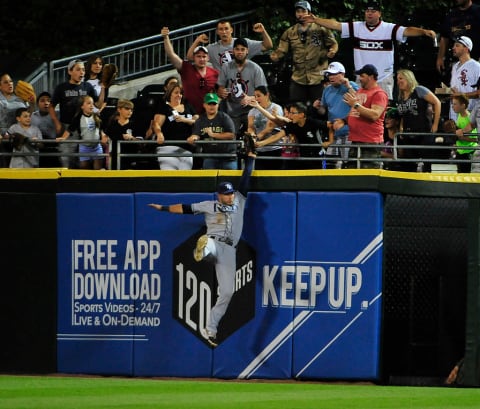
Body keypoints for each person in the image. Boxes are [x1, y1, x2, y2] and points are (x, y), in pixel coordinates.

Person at [148, 150, 256, 347]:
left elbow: (246, 179)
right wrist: (163, 208)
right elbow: (185, 208)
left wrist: (251, 159)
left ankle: (211, 329)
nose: (230, 196)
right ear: (219, 195)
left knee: (227, 292)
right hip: (215, 241)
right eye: (226, 194)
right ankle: (203, 249)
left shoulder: (239, 201)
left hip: (230, 251)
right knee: (209, 243)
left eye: (231, 193)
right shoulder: (209, 205)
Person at [307, 0, 436, 100]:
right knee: (361, 109)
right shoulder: (357, 27)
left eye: (373, 11)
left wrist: (423, 31)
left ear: (379, 13)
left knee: (384, 112)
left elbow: (407, 30)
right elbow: (336, 25)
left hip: (383, 78)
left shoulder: (388, 28)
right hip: (362, 79)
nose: (369, 13)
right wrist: (316, 20)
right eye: (367, 11)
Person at [270, 1, 338, 104]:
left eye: (303, 11)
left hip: (318, 77)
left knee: (319, 108)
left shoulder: (321, 28)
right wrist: (276, 55)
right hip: (298, 77)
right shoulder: (290, 32)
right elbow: (281, 50)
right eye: (298, 11)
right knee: (296, 107)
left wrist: (332, 51)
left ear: (309, 13)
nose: (300, 14)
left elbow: (333, 43)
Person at [49, 59, 102, 168]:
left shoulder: (87, 86)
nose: (82, 72)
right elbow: (51, 106)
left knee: (84, 160)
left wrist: (104, 88)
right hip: (68, 127)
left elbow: (98, 104)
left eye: (83, 70)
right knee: (67, 158)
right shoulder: (61, 87)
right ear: (70, 71)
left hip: (86, 126)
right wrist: (57, 123)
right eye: (78, 70)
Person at [161, 26, 219, 115]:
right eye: (198, 56)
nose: (201, 59)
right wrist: (166, 38)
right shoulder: (186, 68)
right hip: (188, 113)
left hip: (207, 115)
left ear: (208, 58)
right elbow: (171, 54)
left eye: (204, 56)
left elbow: (219, 93)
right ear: (193, 58)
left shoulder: (214, 73)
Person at [255, 101, 328, 169]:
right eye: (290, 112)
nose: (290, 115)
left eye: (293, 113)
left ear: (301, 115)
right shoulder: (292, 125)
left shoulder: (312, 122)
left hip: (318, 157)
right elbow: (277, 136)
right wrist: (261, 143)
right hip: (304, 157)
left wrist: (330, 141)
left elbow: (330, 125)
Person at [217, 38, 268, 135]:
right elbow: (220, 87)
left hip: (252, 111)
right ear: (233, 51)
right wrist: (221, 91)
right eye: (237, 49)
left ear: (247, 51)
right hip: (232, 111)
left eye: (242, 49)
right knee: (229, 139)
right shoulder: (226, 67)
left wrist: (251, 98)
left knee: (253, 137)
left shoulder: (256, 69)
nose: (240, 52)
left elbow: (264, 94)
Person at [313, 62, 360, 168]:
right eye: (329, 74)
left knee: (348, 165)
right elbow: (324, 111)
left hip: (350, 133)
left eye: (334, 74)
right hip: (333, 134)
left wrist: (348, 86)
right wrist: (318, 108)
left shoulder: (352, 85)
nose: (331, 77)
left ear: (342, 74)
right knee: (330, 165)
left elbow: (360, 102)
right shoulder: (327, 90)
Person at [343, 64, 388, 169]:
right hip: (355, 140)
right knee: (352, 172)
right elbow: (356, 112)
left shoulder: (379, 94)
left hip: (370, 141)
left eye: (362, 76)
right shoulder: (360, 91)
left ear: (371, 77)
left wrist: (355, 104)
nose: (360, 79)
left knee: (368, 175)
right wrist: (343, 120)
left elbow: (375, 115)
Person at [396, 69, 441, 172]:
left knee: (426, 165)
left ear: (408, 78)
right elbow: (403, 115)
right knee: (408, 165)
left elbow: (437, 102)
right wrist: (401, 128)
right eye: (397, 79)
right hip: (408, 134)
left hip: (423, 132)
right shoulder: (401, 97)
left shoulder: (419, 90)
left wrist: (435, 124)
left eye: (401, 78)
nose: (398, 81)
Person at [186, 20, 273, 71]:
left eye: (226, 29)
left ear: (231, 30)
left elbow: (268, 46)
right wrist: (197, 41)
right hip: (222, 89)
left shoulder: (243, 43)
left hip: (243, 84)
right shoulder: (212, 48)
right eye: (221, 29)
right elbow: (190, 57)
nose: (224, 32)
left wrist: (263, 32)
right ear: (217, 32)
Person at [152, 83, 198, 170]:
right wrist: (159, 133)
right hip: (168, 147)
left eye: (180, 93)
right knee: (169, 176)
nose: (179, 95)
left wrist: (184, 120)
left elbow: (198, 122)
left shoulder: (188, 106)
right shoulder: (164, 107)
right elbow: (156, 124)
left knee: (184, 177)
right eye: (176, 93)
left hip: (186, 148)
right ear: (170, 94)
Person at [187, 92, 236, 170]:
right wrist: (193, 138)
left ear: (218, 105)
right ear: (204, 105)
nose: (212, 106)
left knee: (229, 181)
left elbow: (231, 135)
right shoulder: (200, 120)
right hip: (210, 157)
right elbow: (196, 134)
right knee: (209, 181)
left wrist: (214, 134)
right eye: (209, 104)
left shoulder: (224, 118)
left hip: (227, 157)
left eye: (214, 104)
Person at [58, 95, 107, 170]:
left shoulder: (97, 116)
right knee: (84, 167)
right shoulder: (78, 118)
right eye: (88, 103)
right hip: (84, 146)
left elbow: (102, 129)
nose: (91, 106)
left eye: (92, 104)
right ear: (82, 106)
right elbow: (70, 129)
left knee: (97, 168)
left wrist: (103, 136)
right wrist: (63, 138)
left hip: (96, 146)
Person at [436, 0, 480, 75]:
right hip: (456, 61)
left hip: (475, 59)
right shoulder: (451, 15)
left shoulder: (478, 11)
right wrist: (440, 57)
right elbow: (444, 37)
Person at [246, 85, 284, 169]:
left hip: (274, 149)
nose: (256, 99)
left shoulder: (276, 108)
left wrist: (257, 138)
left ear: (267, 95)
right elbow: (250, 126)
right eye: (255, 96)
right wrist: (252, 135)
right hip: (259, 150)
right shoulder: (252, 111)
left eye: (259, 96)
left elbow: (270, 127)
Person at [0, 73, 31, 167]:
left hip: (17, 137)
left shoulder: (20, 99)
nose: (10, 84)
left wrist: (32, 104)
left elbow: (27, 116)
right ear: (0, 86)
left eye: (11, 81)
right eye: (6, 82)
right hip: (2, 138)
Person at [103, 99, 143, 170]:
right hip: (114, 161)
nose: (130, 111)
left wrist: (132, 138)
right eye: (127, 109)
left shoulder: (136, 125)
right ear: (119, 109)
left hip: (130, 160)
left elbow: (141, 143)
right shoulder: (112, 125)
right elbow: (106, 140)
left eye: (131, 110)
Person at [449, 36, 480, 120]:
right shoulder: (455, 66)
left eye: (457, 45)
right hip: (454, 112)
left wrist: (462, 95)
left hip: (470, 113)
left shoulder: (476, 66)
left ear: (466, 49)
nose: (453, 48)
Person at [31, 91, 59, 167]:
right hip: (37, 150)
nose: (46, 103)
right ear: (37, 104)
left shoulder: (57, 115)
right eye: (42, 100)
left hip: (54, 149)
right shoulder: (32, 116)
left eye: (49, 101)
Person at [452, 93, 477, 173]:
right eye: (452, 104)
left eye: (455, 104)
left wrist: (462, 138)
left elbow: (475, 139)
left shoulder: (470, 118)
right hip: (460, 151)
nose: (453, 106)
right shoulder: (459, 115)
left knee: (465, 177)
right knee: (460, 175)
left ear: (463, 106)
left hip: (468, 152)